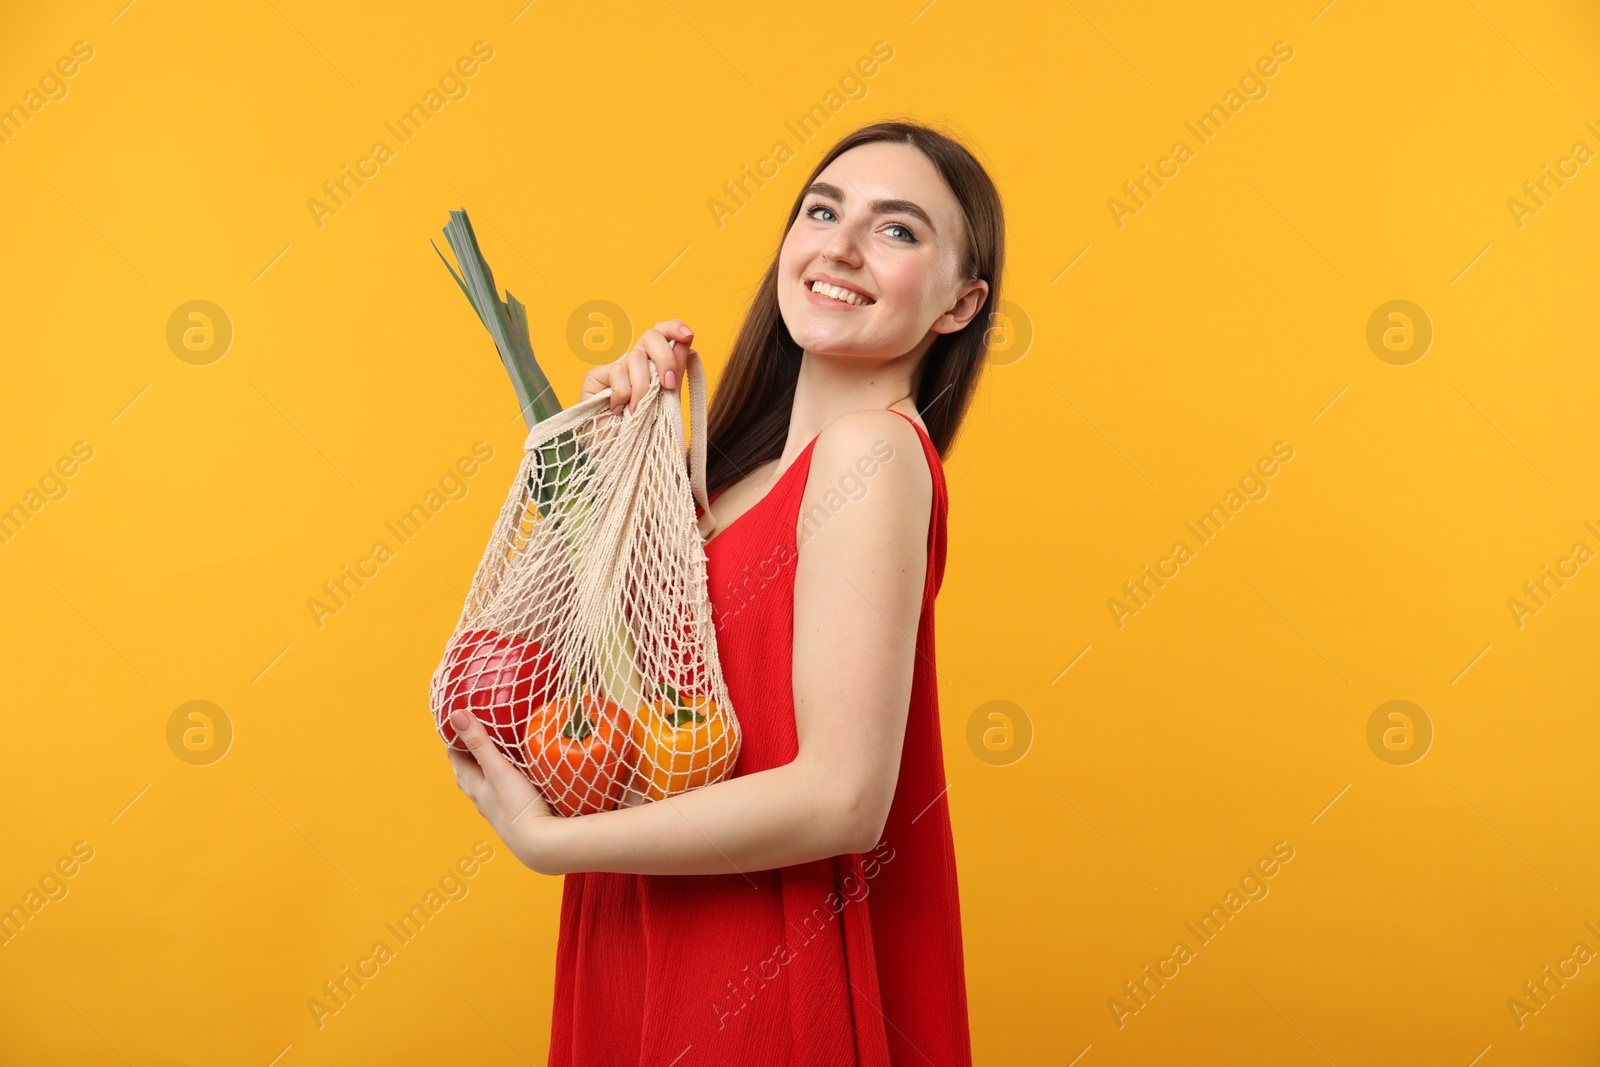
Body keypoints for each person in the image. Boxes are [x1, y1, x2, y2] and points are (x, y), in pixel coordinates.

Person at [446, 118, 1005, 1065]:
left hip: (762, 966)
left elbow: (842, 796)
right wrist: (617, 454)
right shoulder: (730, 478)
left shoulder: (872, 454)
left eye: (898, 229)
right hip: (648, 929)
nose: (841, 245)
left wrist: (550, 845)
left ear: (960, 305)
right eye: (822, 211)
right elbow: (632, 703)